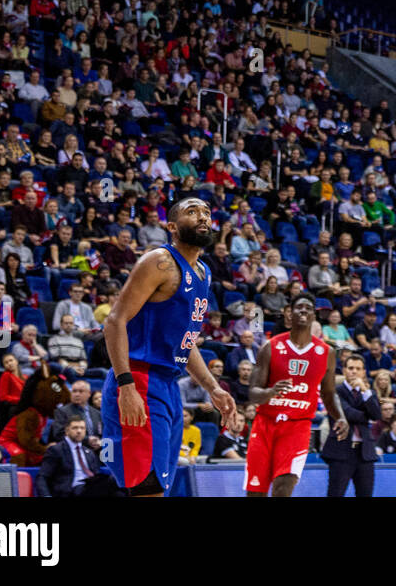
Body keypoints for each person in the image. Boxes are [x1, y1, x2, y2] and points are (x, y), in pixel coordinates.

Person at [101, 197, 235, 497]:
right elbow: (114, 322)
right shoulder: (159, 261)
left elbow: (185, 343)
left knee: (158, 486)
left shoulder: (204, 272)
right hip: (140, 379)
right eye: (192, 212)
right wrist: (126, 385)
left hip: (168, 385)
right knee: (147, 488)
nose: (202, 217)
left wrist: (213, 388)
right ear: (171, 226)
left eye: (206, 212)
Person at [244, 295, 348, 497]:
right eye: (298, 307)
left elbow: (329, 393)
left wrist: (340, 416)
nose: (303, 311)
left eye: (308, 308)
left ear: (313, 316)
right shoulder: (271, 347)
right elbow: (253, 393)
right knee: (256, 493)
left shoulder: (326, 352)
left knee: (284, 485)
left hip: (297, 427)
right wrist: (270, 392)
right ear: (289, 314)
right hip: (265, 424)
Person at [319, 355, 381, 497]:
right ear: (345, 371)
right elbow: (348, 413)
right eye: (351, 368)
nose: (354, 372)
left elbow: (377, 415)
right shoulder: (334, 392)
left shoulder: (369, 393)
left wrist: (365, 390)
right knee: (335, 494)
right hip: (341, 452)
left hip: (364, 453)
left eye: (358, 369)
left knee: (365, 494)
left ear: (364, 372)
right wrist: (367, 416)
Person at [36, 413, 112, 497]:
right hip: (70, 490)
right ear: (67, 430)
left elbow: (96, 475)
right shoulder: (56, 450)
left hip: (90, 487)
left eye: (82, 428)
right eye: (75, 428)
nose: (79, 431)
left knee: (117, 489)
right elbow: (42, 477)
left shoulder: (89, 452)